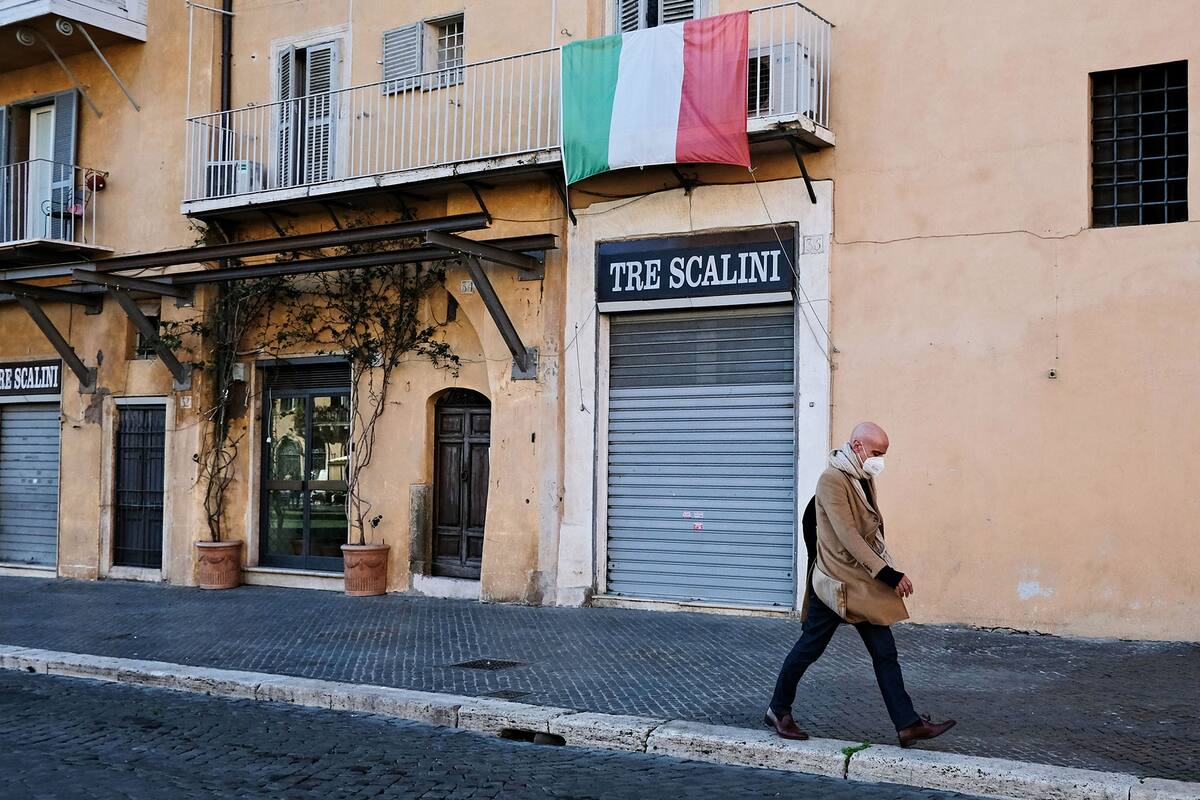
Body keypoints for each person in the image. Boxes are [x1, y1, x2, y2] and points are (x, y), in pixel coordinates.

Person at [764, 422, 957, 748]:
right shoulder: (832, 480)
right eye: (877, 452)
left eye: (883, 454)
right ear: (857, 446)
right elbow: (849, 535)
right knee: (809, 649)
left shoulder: (861, 477)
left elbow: (870, 530)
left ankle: (908, 725)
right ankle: (777, 710)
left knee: (885, 652)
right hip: (836, 584)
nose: (880, 460)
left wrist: (880, 568)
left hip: (861, 583)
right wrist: (888, 574)